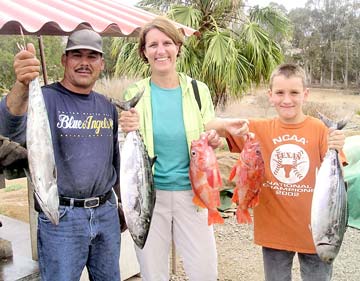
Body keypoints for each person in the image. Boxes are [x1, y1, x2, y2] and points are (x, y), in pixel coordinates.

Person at [0, 29, 122, 281]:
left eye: (92, 56)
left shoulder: (107, 106)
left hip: (106, 214)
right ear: (64, 60)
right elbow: (8, 127)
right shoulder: (43, 98)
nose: (84, 63)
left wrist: (120, 204)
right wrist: (22, 86)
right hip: (62, 218)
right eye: (76, 55)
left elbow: (114, 161)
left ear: (101, 63)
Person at [206, 63, 346, 281]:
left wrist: (336, 143)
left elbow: (338, 181)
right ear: (270, 95)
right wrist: (223, 127)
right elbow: (211, 126)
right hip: (274, 233)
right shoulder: (256, 129)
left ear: (305, 94)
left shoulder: (320, 129)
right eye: (280, 93)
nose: (286, 100)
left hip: (316, 233)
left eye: (294, 93)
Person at [119, 17, 223, 281]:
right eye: (152, 45)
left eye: (167, 43)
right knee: (153, 274)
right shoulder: (136, 91)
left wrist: (214, 139)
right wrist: (126, 125)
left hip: (194, 194)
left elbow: (209, 130)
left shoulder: (199, 91)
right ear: (144, 52)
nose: (160, 50)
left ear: (178, 47)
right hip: (150, 196)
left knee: (205, 272)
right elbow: (128, 143)